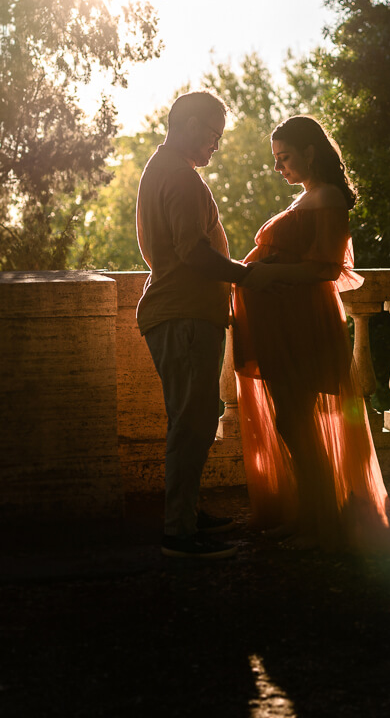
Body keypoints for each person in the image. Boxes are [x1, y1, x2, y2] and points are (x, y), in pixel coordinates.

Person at [232, 115, 390, 554]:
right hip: (286, 320)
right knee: (293, 418)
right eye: (276, 160)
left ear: (310, 152)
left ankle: (321, 523)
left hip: (303, 321)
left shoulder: (328, 198)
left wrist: (264, 274)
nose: (278, 167)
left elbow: (328, 266)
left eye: (284, 158)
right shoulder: (309, 197)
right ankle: (309, 516)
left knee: (297, 420)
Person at [136, 90, 276, 559]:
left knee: (192, 420)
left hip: (180, 313)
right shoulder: (178, 176)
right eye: (213, 135)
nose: (215, 145)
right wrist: (247, 275)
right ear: (191, 124)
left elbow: (162, 253)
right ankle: (178, 533)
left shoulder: (163, 169)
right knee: (192, 424)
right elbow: (192, 252)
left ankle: (189, 514)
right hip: (185, 316)